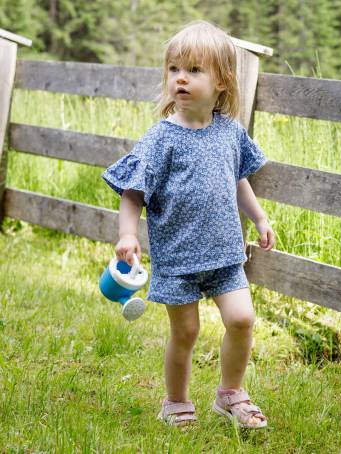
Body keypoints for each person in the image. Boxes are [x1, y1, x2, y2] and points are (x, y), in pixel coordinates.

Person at [101, 20, 274, 429]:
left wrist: (260, 217)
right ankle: (175, 402)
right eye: (175, 68)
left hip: (225, 255)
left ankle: (231, 393)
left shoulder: (230, 133)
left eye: (194, 70)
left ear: (222, 81)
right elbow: (132, 191)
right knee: (187, 332)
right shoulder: (162, 139)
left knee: (242, 319)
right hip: (178, 259)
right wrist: (128, 233)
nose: (181, 77)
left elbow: (238, 180)